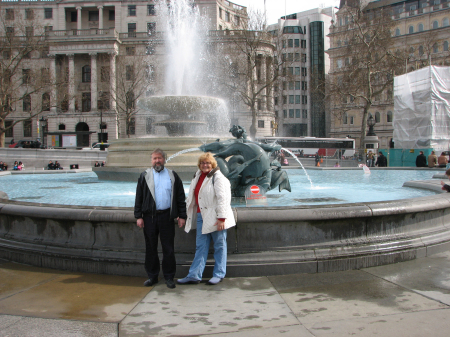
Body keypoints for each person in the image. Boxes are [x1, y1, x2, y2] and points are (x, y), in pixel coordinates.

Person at [177, 152, 236, 286]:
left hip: (216, 217)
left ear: (213, 164)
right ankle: (194, 275)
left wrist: (222, 218)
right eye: (203, 163)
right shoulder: (197, 176)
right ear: (199, 164)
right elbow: (191, 198)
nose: (205, 165)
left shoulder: (218, 178)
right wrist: (183, 214)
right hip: (201, 216)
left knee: (220, 246)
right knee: (200, 247)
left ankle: (219, 274)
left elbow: (223, 199)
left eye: (208, 163)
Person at [134, 148, 186, 289]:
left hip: (167, 217)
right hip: (149, 217)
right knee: (151, 248)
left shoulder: (172, 175)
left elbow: (181, 197)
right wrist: (138, 216)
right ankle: (152, 276)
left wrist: (182, 216)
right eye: (154, 158)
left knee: (168, 248)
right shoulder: (144, 176)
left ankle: (169, 277)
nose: (157, 161)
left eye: (160, 158)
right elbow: (139, 197)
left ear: (164, 159)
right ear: (151, 161)